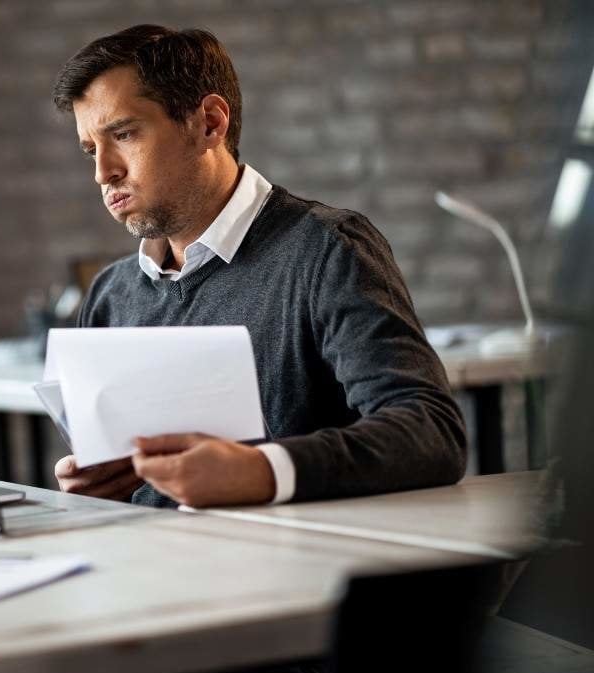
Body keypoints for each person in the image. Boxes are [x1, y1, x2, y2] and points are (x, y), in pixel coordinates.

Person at [50, 25, 466, 508]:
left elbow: (431, 432)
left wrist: (263, 470)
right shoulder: (110, 296)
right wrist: (97, 486)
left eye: (123, 134)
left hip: (298, 571)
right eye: (90, 150)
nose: (103, 172)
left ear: (209, 123)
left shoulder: (328, 250)